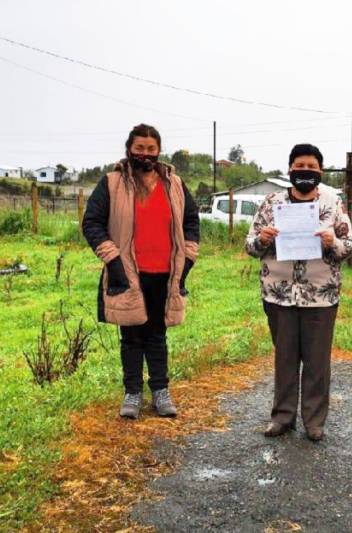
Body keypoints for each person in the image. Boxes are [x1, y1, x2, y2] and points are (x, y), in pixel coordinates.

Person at [82, 123, 199, 420]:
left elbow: (191, 221)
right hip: (128, 272)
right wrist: (113, 259)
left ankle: (160, 391)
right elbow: (92, 223)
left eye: (151, 148)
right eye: (139, 148)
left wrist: (187, 258)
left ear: (158, 151)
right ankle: (132, 393)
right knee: (131, 336)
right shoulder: (112, 183)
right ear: (129, 149)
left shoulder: (174, 184)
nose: (145, 154)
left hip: (164, 273)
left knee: (157, 336)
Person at [245, 143, 352, 442]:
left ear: (320, 171)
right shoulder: (271, 203)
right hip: (278, 294)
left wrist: (332, 241)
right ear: (290, 169)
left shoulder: (333, 203)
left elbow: (350, 248)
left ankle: (314, 421)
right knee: (285, 358)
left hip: (320, 295)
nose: (305, 172)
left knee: (317, 362)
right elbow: (250, 245)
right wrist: (263, 239)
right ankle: (282, 417)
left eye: (311, 167)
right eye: (300, 167)